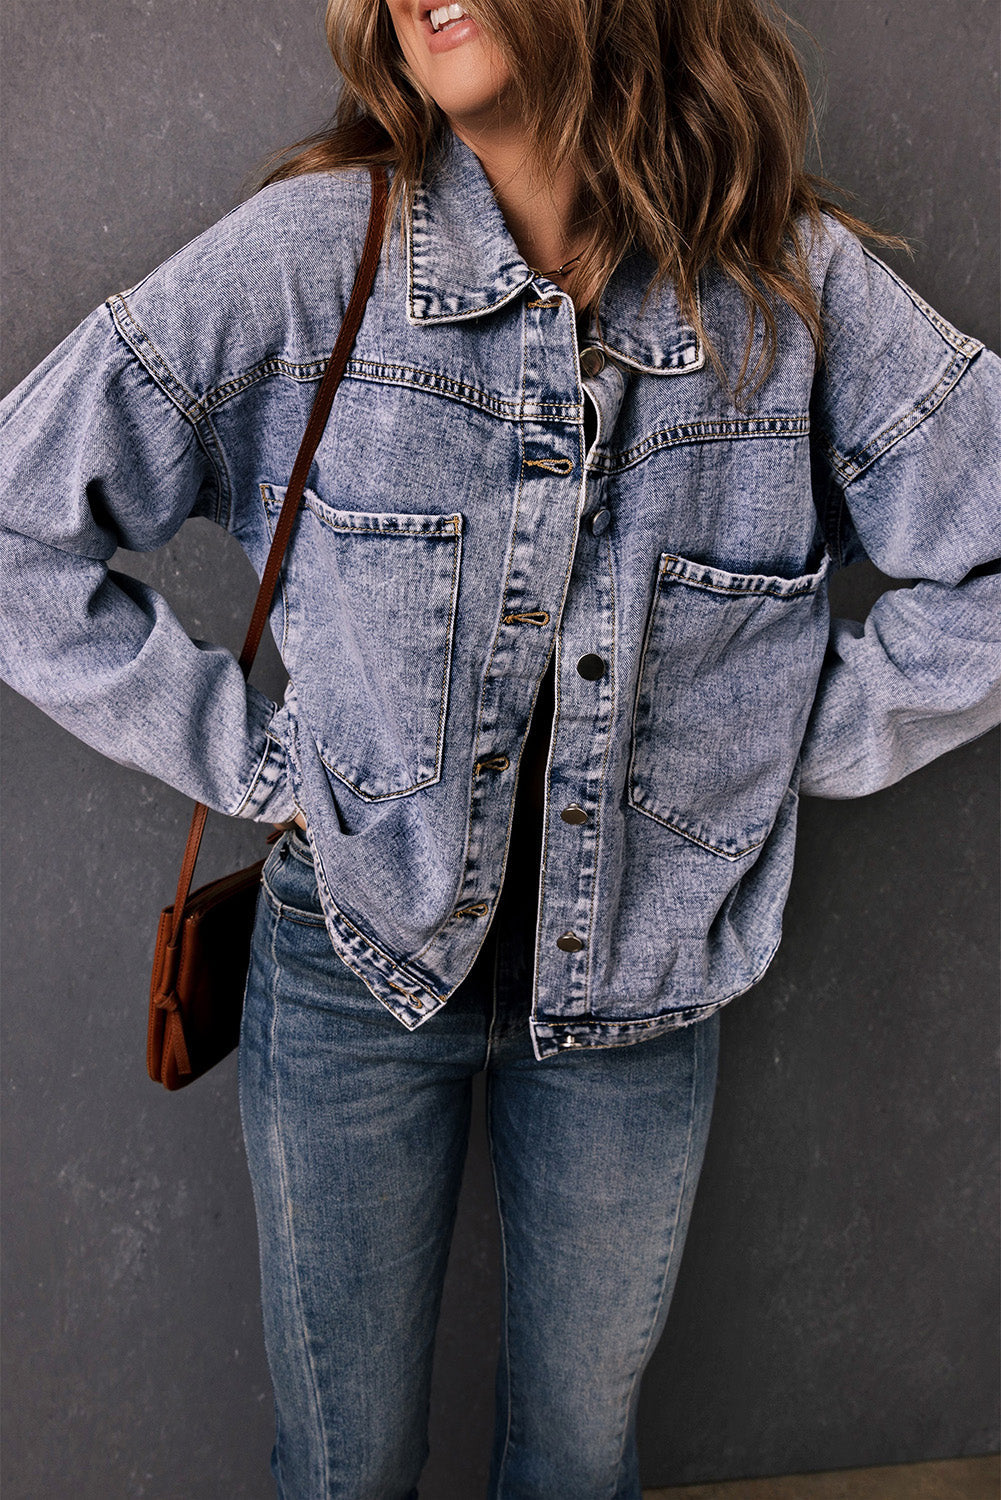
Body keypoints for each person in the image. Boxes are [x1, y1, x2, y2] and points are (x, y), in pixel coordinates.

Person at [1, 0, 998, 1493]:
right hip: (348, 966)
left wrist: (761, 749)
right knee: (342, 1469)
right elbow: (19, 524)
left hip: (646, 993)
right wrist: (265, 764)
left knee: (580, 1465)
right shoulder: (308, 261)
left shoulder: (789, 296)